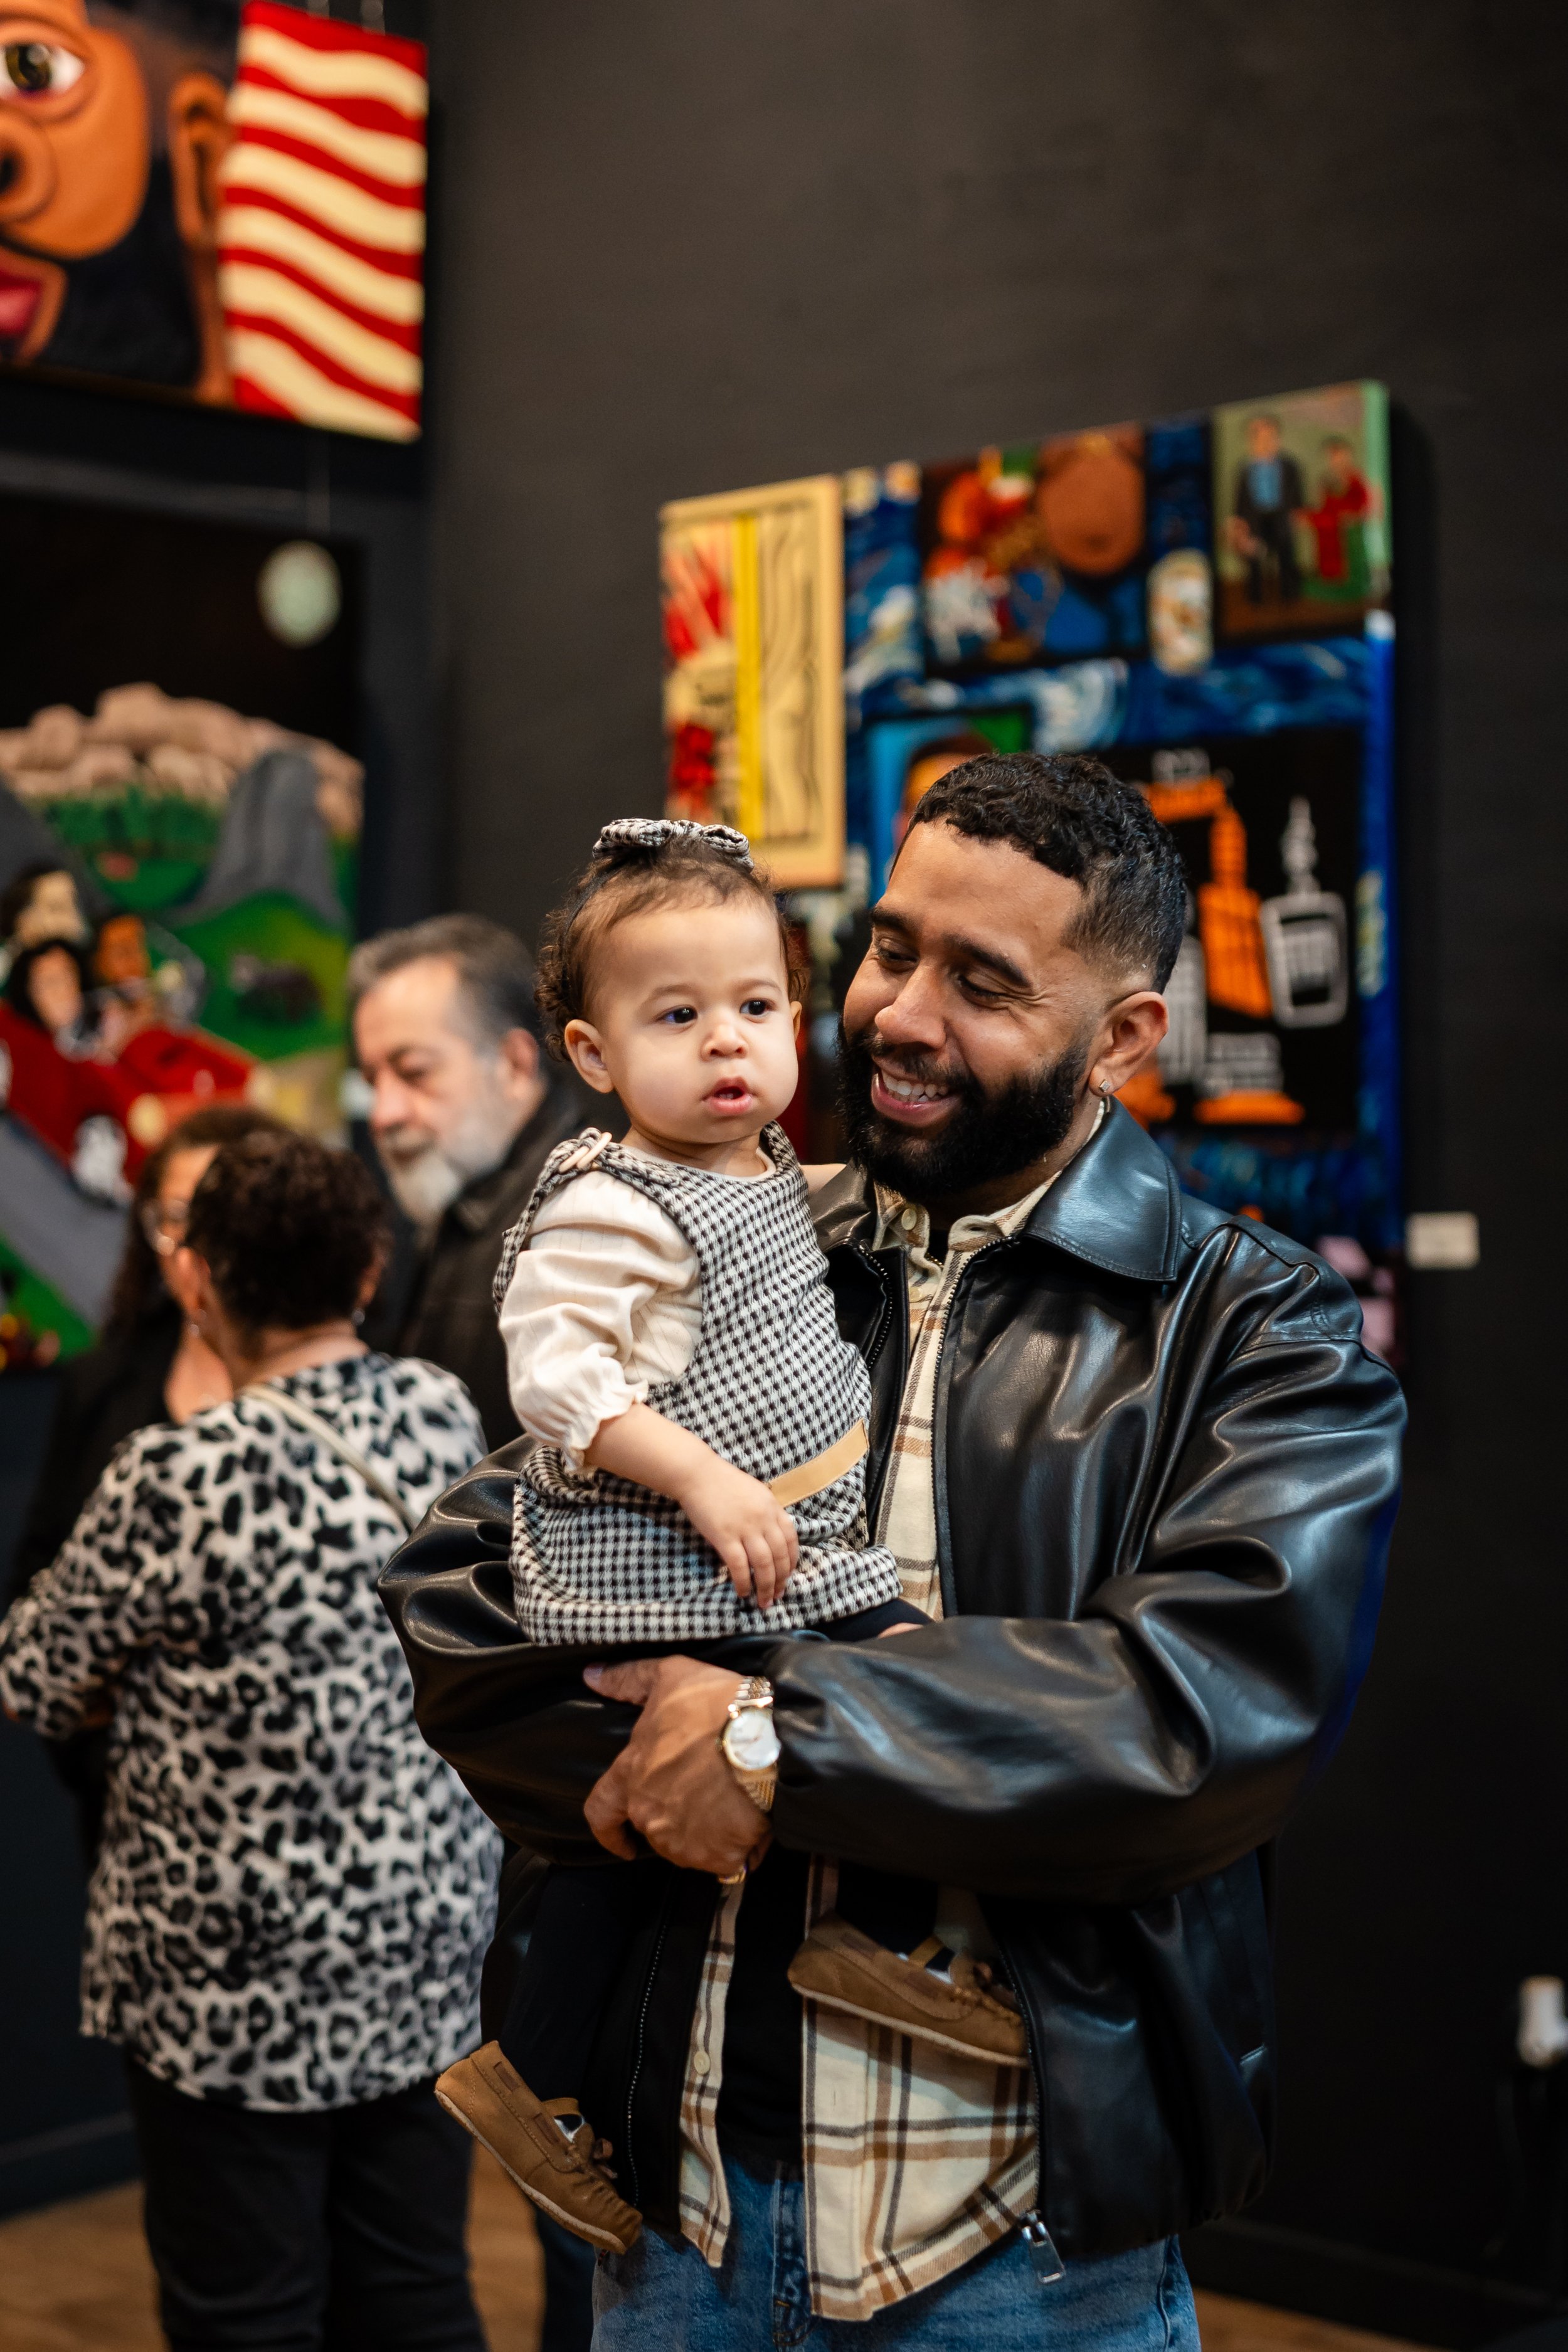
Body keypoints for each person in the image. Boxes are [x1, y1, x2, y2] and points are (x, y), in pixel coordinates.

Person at [383, 751, 1406, 2349]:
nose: (900, 1014)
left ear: (1121, 1038)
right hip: (680, 2228)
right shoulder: (735, 1231)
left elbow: (1193, 1720)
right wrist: (815, 1751)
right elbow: (468, 1596)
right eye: (887, 948)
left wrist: (768, 1738)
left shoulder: (1253, 1327)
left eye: (982, 983)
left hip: (1019, 2253)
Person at [433, 820, 949, 2255]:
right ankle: (875, 1935)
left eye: (756, 1004)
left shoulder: (762, 1160)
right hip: (670, 1553)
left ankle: (541, 2070)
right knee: (897, 1672)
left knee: (632, 1852)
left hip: (756, 1536)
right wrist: (706, 1480)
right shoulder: (611, 1204)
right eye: (676, 1016)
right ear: (592, 1055)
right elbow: (556, 1381)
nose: (727, 1041)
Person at [0, 1128, 500, 2352]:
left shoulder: (178, 1474)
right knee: (419, 2293)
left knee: (247, 2315)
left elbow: (34, 1676)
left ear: (198, 1278)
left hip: (229, 1978)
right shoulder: (438, 1411)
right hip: (423, 1940)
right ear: (369, 1268)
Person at [8, 1099, 286, 1858]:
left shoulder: (342, 1378)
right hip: (136, 1816)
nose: (193, 1251)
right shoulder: (105, 1383)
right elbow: (37, 1594)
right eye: (174, 1221)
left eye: (221, 1220)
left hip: (305, 1810)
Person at [351, 913, 590, 1451]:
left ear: (514, 1064)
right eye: (372, 1082)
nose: (384, 1114)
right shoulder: (466, 1204)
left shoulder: (584, 1214)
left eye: (414, 1072)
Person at [1229, 412, 1306, 607]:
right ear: (1251, 441)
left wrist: (1298, 512)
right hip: (1255, 518)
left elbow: (1296, 492)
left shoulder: (1289, 466)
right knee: (1254, 557)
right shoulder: (1245, 469)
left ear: (1278, 439)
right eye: (1259, 438)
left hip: (1281, 515)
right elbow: (1240, 498)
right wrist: (1239, 521)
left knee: (1286, 553)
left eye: (1270, 437)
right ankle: (1255, 595)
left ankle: (1289, 593)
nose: (1265, 443)